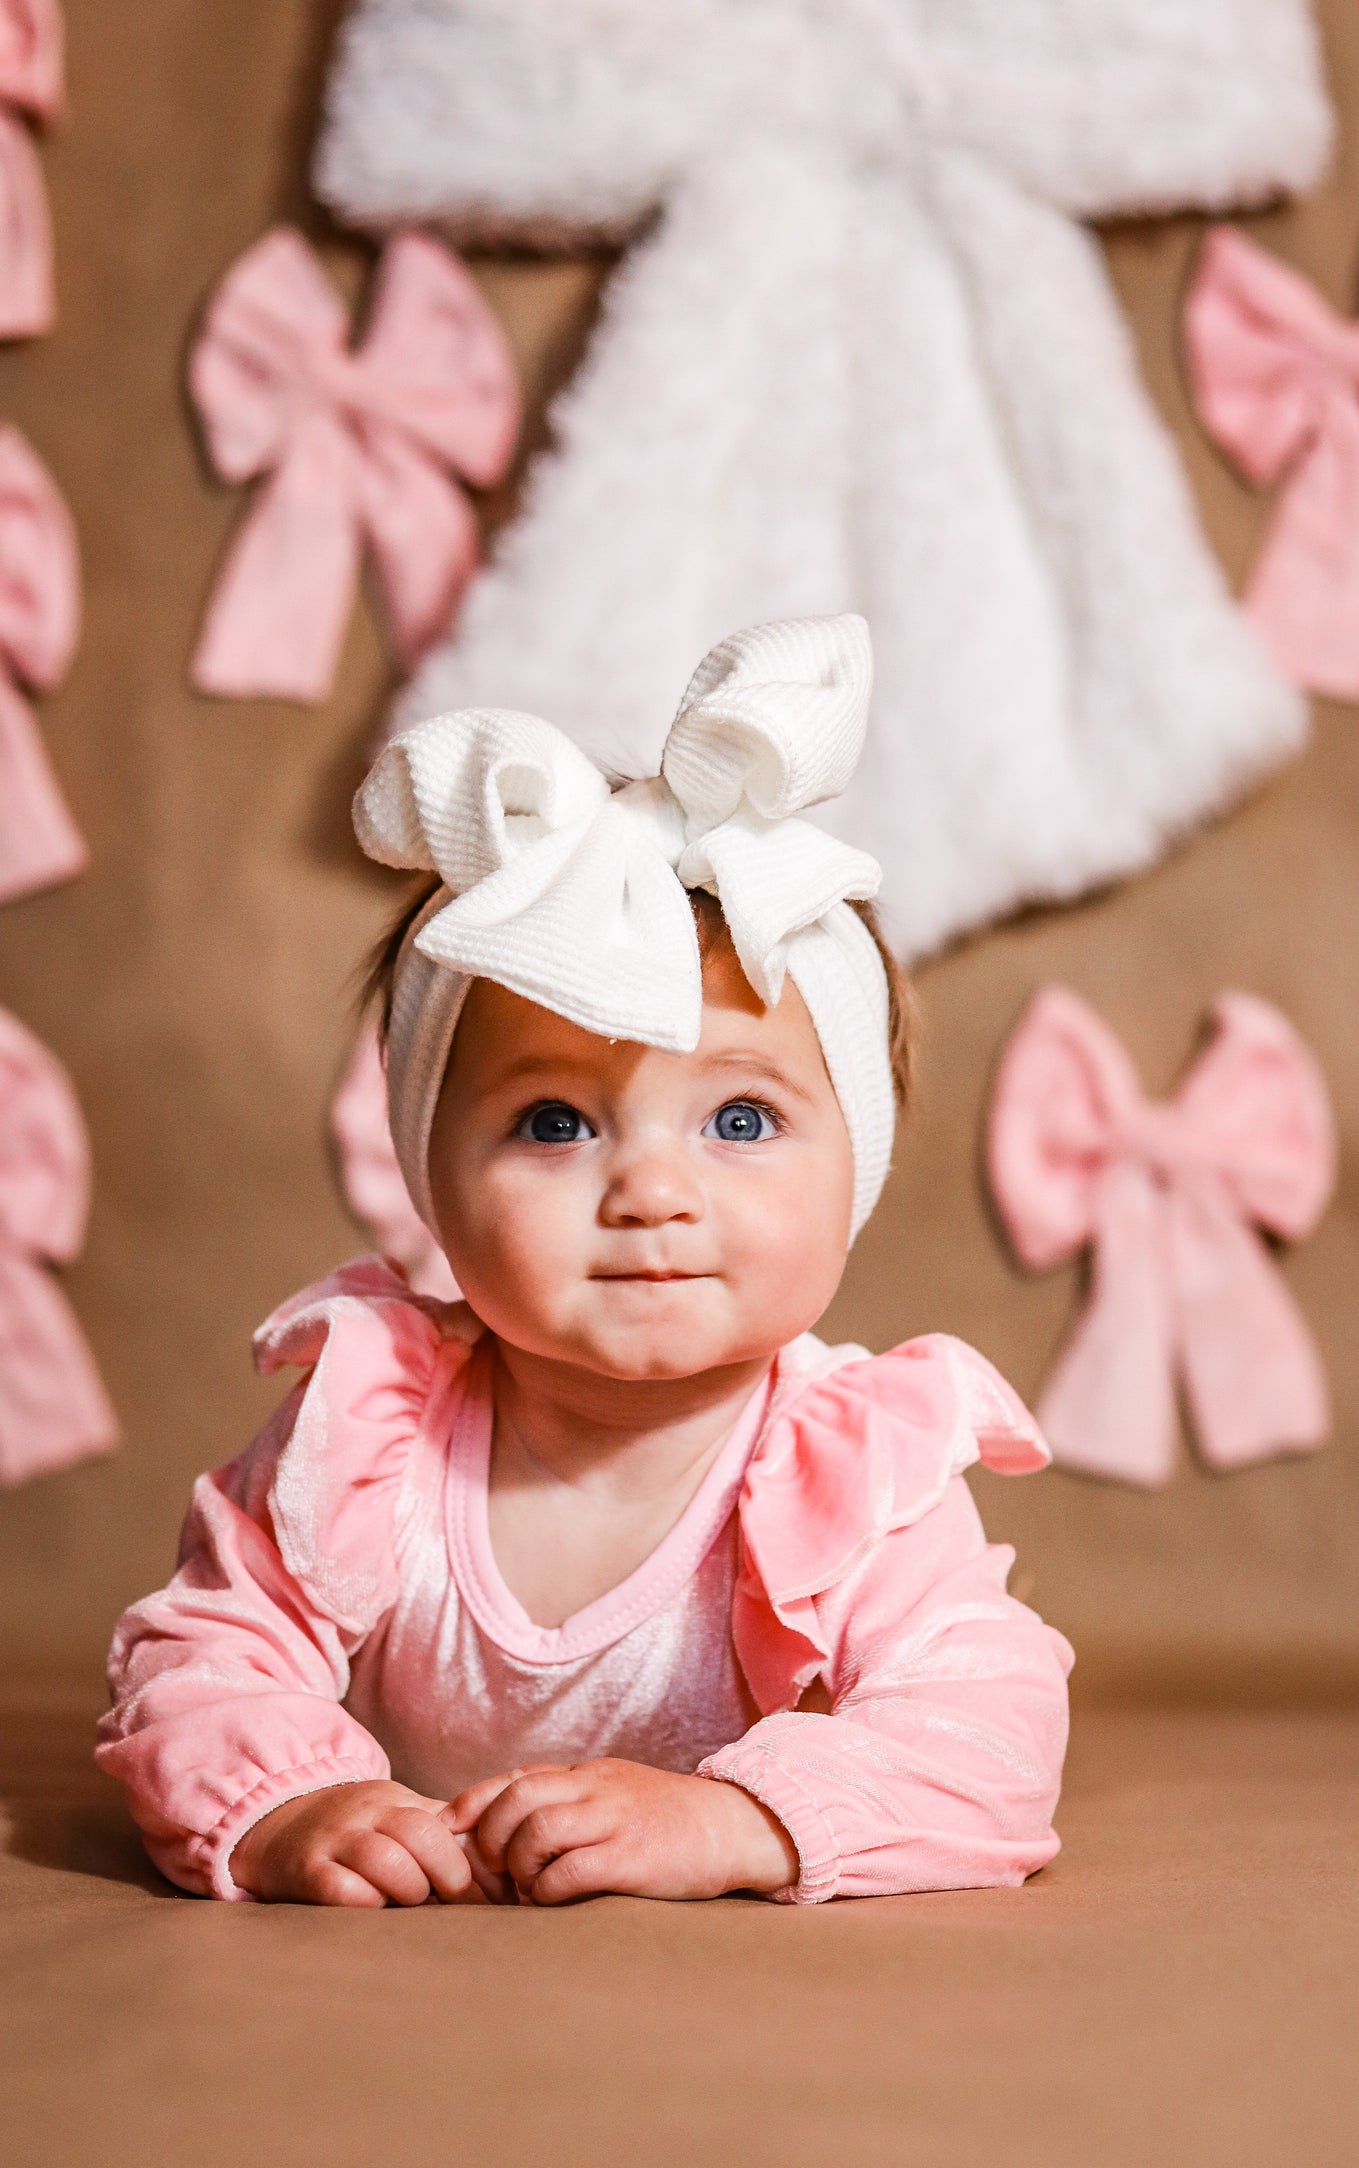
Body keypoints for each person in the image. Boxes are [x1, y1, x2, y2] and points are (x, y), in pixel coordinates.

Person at [97, 615, 1072, 1908]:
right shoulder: (373, 1432)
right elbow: (204, 1651)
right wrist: (291, 1801)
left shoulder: (846, 1472)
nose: (652, 1191)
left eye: (741, 1121)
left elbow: (988, 1729)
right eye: (553, 1124)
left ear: (858, 1175)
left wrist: (737, 1818)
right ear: (428, 1178)